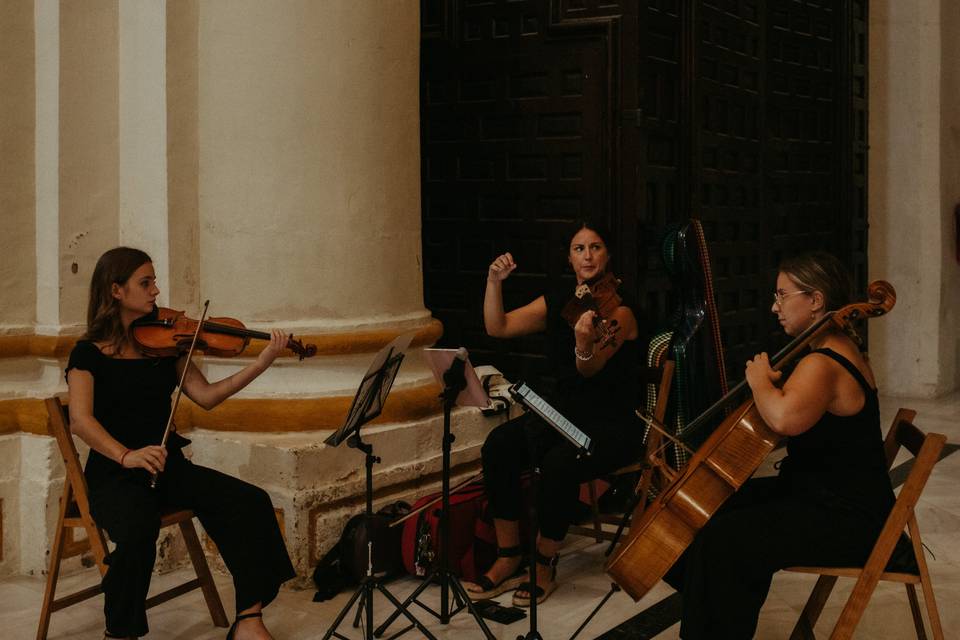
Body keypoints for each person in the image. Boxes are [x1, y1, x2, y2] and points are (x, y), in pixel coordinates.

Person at [65, 247, 296, 640]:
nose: (156, 290)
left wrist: (262, 362)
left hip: (167, 466)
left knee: (249, 501)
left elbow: (206, 396)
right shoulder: (88, 353)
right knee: (138, 531)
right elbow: (80, 420)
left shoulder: (167, 346)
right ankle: (120, 633)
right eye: (146, 282)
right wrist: (127, 455)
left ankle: (249, 619)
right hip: (114, 473)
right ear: (116, 290)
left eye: (154, 281)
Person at [664, 251, 897, 639]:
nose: (775, 307)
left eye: (782, 295)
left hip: (847, 518)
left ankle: (712, 619)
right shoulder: (831, 349)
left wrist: (758, 381)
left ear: (816, 300)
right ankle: (713, 618)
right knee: (713, 510)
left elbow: (785, 419)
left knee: (728, 541)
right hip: (822, 496)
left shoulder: (824, 362)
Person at [464, 220, 643, 606]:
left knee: (559, 463)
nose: (588, 255)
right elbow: (498, 326)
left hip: (611, 423)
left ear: (608, 254)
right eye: (580, 249)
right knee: (499, 445)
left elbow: (589, 369)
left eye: (596, 247)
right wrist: (494, 282)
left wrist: (583, 342)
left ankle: (543, 564)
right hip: (563, 415)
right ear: (569, 257)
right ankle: (509, 555)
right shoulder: (560, 299)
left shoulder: (622, 310)